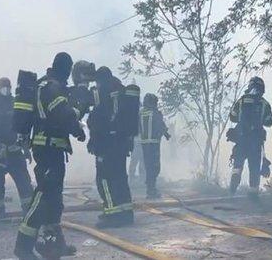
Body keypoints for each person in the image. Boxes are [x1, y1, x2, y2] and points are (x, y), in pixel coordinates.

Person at [14, 53, 85, 259]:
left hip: (53, 149)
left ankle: (53, 245)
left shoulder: (49, 85)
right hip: (48, 150)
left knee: (54, 200)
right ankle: (23, 246)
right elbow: (63, 114)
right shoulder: (51, 87)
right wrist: (78, 125)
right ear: (66, 69)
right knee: (43, 197)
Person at [88, 67, 139, 228]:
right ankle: (126, 214)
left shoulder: (104, 92)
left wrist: (93, 140)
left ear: (100, 80)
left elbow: (97, 120)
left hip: (107, 144)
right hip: (121, 144)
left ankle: (112, 214)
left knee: (104, 180)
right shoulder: (122, 92)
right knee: (120, 179)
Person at [0, 77, 34, 218]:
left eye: (8, 86)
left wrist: (26, 149)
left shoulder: (15, 102)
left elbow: (23, 127)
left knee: (24, 181)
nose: (6, 89)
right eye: (4, 86)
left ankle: (28, 210)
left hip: (15, 151)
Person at [227, 77, 272, 197]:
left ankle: (234, 183)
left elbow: (232, 116)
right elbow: (269, 121)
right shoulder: (264, 103)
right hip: (256, 141)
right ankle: (253, 195)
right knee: (254, 168)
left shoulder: (242, 100)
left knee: (238, 163)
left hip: (241, 138)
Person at [138, 93, 170, 199]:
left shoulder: (140, 113)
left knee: (148, 166)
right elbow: (161, 126)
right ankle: (151, 189)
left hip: (144, 144)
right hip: (154, 144)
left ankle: (149, 187)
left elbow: (137, 128)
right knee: (155, 167)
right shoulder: (155, 113)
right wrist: (166, 134)